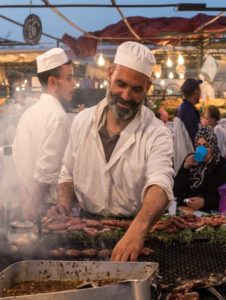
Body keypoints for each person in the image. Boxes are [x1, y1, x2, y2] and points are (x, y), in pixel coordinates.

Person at [50, 41, 174, 261]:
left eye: (136, 89)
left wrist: (137, 230)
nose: (126, 96)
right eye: (121, 84)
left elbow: (161, 183)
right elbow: (67, 173)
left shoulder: (156, 132)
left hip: (135, 231)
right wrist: (62, 205)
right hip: (86, 230)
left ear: (147, 88)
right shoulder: (82, 121)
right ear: (109, 74)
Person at [13, 48, 74, 220]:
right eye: (69, 78)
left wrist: (27, 198)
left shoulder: (28, 113)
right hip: (47, 209)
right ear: (53, 82)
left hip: (30, 201)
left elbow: (17, 159)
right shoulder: (58, 117)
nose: (74, 84)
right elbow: (47, 171)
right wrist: (33, 205)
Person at [173, 127, 226, 212]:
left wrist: (204, 202)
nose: (201, 150)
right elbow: (175, 191)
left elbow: (225, 198)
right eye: (198, 145)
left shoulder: (223, 166)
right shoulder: (191, 159)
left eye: (206, 146)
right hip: (186, 211)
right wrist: (184, 168)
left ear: (213, 146)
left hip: (209, 213)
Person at [173, 78, 202, 174]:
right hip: (190, 166)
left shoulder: (181, 108)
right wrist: (201, 161)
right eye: (199, 89)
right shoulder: (190, 112)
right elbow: (196, 140)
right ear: (195, 91)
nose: (200, 93)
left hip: (181, 164)